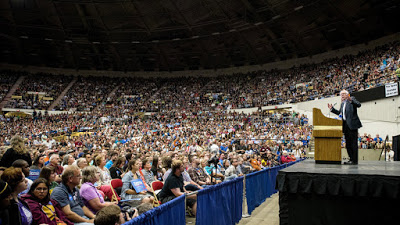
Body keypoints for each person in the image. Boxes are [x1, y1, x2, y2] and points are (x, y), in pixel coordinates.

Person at [328, 89, 362, 165]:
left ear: (348, 94)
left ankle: (355, 161)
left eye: (344, 94)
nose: (342, 95)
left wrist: (350, 100)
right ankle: (351, 159)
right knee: (348, 144)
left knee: (353, 143)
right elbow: (340, 113)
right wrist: (332, 109)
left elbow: (359, 105)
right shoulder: (343, 104)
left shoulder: (352, 99)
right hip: (345, 125)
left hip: (352, 125)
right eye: (341, 94)